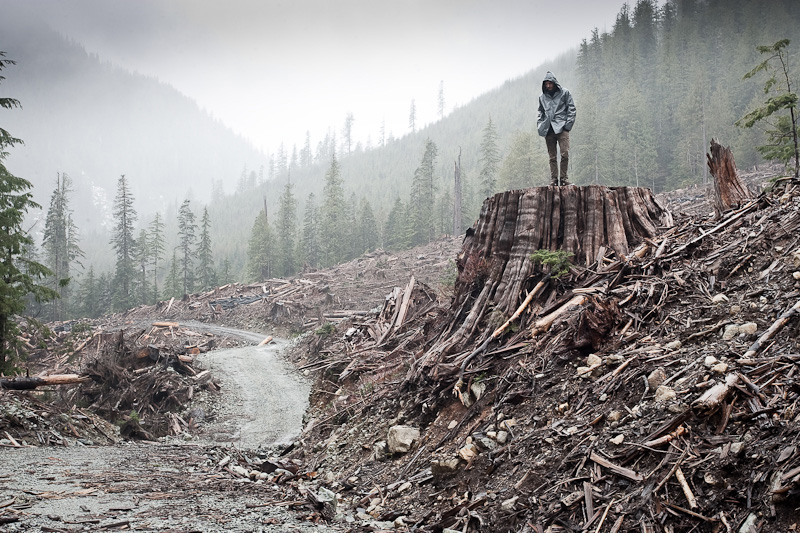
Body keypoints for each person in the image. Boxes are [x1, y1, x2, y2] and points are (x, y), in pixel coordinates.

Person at [537, 71, 576, 186]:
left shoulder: (565, 93)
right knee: (552, 157)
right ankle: (554, 180)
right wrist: (541, 125)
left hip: (562, 128)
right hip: (548, 129)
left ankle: (564, 179)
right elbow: (540, 112)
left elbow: (571, 109)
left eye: (550, 83)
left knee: (565, 154)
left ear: (554, 83)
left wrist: (567, 126)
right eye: (546, 84)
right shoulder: (542, 97)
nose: (548, 86)